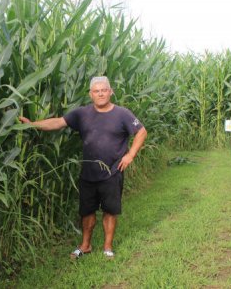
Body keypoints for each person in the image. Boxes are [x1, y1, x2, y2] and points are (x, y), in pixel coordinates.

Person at [19, 76, 147, 259]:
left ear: (110, 92)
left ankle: (107, 248)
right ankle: (85, 245)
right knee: (86, 211)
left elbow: (141, 131)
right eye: (97, 91)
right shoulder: (81, 114)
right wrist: (32, 124)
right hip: (88, 173)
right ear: (90, 94)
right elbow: (57, 122)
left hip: (112, 171)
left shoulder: (122, 114)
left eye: (104, 90)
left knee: (110, 210)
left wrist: (130, 155)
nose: (101, 93)